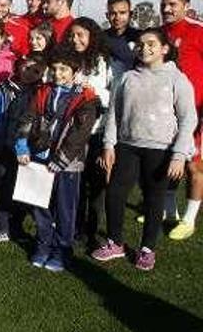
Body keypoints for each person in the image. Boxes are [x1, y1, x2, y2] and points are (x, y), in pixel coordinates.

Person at [93, 28, 197, 271]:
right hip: (128, 146)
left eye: (151, 43)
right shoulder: (127, 77)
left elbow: (188, 119)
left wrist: (179, 155)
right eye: (140, 44)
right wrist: (109, 144)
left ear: (164, 49)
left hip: (160, 150)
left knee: (153, 199)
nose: (144, 48)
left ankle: (147, 248)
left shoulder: (177, 79)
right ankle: (115, 242)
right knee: (115, 193)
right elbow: (114, 115)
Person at [14, 49, 99, 271]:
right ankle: (43, 244)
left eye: (63, 69)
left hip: (67, 163)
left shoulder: (87, 98)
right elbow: (28, 117)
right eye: (54, 69)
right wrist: (22, 144)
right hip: (40, 156)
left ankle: (62, 249)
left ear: (75, 71)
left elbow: (81, 133)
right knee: (39, 204)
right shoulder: (44, 91)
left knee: (65, 208)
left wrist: (62, 158)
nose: (58, 73)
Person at [0, 52, 48, 242]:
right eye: (27, 67)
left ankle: (17, 227)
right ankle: (2, 226)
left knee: (25, 191)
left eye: (36, 71)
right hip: (5, 147)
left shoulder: (43, 92)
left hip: (30, 151)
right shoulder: (4, 89)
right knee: (4, 188)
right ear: (20, 64)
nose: (29, 73)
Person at [65, 17, 114, 247]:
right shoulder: (66, 59)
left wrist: (91, 90)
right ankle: (74, 226)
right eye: (72, 35)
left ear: (91, 36)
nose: (75, 40)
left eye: (80, 35)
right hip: (72, 132)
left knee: (95, 185)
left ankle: (93, 231)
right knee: (74, 183)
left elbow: (112, 96)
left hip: (95, 131)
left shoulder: (103, 62)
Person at [160, 0, 203, 240]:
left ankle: (189, 219)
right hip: (168, 111)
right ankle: (169, 211)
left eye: (172, 4)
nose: (166, 9)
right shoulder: (161, 33)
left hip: (196, 111)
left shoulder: (197, 31)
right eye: (164, 4)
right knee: (168, 161)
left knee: (193, 166)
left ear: (185, 5)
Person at [103, 0, 141, 72]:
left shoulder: (140, 37)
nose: (117, 17)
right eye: (113, 13)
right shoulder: (100, 38)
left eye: (122, 13)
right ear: (107, 16)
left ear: (130, 14)